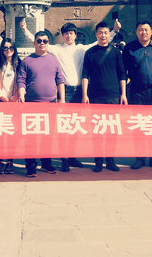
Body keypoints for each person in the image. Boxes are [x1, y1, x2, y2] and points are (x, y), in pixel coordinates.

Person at [20, 19, 120, 171]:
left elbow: (100, 41)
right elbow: (39, 41)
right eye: (66, 34)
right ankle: (64, 159)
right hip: (65, 92)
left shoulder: (82, 49)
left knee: (75, 126)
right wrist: (24, 30)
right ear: (62, 35)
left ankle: (72, 157)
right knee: (64, 127)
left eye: (71, 33)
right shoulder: (57, 49)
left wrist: (114, 31)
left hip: (79, 92)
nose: (69, 36)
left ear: (75, 35)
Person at [17, 31, 65, 177]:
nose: (42, 43)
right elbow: (21, 80)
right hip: (31, 104)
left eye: (45, 41)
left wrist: (62, 100)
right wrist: (21, 94)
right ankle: (31, 165)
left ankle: (46, 163)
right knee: (31, 137)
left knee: (47, 136)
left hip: (50, 104)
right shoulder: (27, 61)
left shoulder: (54, 60)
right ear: (34, 43)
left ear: (48, 43)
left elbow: (60, 81)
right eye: (39, 40)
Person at [82, 22, 127, 173]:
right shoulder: (90, 53)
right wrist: (85, 94)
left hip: (113, 96)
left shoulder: (115, 52)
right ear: (96, 34)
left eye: (106, 32)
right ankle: (98, 161)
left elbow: (122, 74)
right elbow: (85, 75)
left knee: (111, 131)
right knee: (97, 130)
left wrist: (123, 94)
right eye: (100, 32)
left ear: (109, 34)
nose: (103, 35)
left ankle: (110, 160)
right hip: (95, 97)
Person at [123, 21, 152, 171]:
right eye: (141, 30)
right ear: (136, 32)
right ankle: (140, 158)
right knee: (139, 126)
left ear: (151, 32)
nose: (144, 32)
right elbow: (123, 71)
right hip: (137, 92)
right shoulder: (129, 48)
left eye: (146, 30)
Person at [0, 39, 20, 175]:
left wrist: (14, 97)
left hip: (14, 101)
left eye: (11, 48)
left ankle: (10, 161)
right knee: (0, 132)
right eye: (5, 48)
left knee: (11, 133)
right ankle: (0, 161)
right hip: (0, 101)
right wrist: (2, 96)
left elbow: (22, 81)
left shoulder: (19, 63)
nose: (8, 50)